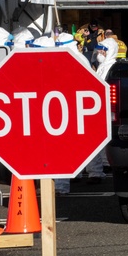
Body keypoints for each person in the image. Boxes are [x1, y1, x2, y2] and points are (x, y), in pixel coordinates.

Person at [83, 38, 119, 184]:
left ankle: (100, 168)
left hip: (108, 110)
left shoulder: (112, 67)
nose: (99, 53)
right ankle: (101, 166)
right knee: (100, 141)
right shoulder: (102, 66)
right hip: (101, 109)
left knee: (101, 140)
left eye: (102, 50)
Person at [54, 32, 82, 195]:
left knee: (63, 150)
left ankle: (62, 186)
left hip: (69, 111)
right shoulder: (67, 59)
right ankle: (71, 176)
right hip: (64, 111)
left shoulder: (76, 60)